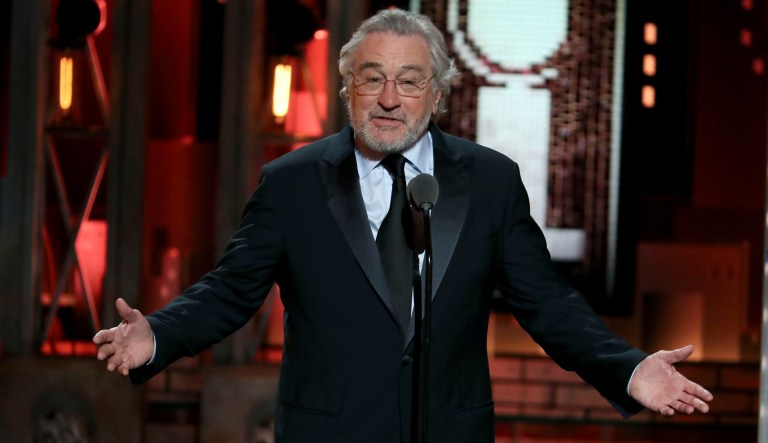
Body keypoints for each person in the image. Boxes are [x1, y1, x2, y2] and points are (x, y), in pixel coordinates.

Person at [93, 8, 713, 443]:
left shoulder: (491, 182)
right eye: (372, 78)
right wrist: (160, 337)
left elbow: (547, 303)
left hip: (449, 430)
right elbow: (231, 290)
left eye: (410, 81)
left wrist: (628, 368)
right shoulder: (292, 183)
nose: (390, 97)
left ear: (437, 94)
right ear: (347, 88)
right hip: (328, 432)